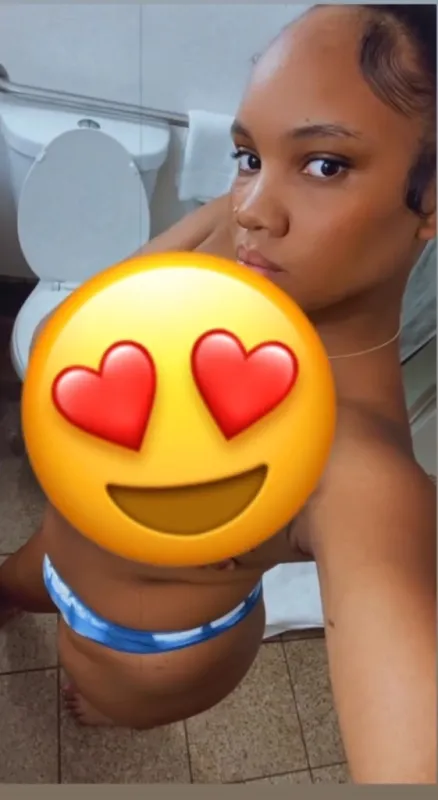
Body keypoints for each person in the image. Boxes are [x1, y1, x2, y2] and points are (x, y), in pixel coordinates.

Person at [0, 3, 436, 784]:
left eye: (324, 164)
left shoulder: (358, 467)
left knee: (105, 700)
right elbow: (93, 316)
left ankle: (112, 709)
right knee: (13, 585)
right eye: (249, 155)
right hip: (57, 545)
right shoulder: (241, 235)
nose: (252, 208)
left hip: (144, 656)